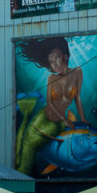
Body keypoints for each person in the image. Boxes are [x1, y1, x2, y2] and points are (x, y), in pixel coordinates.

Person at [15, 37, 87, 174]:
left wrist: (83, 120)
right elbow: (50, 104)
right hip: (42, 120)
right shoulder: (51, 78)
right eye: (51, 62)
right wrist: (64, 120)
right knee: (27, 151)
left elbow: (77, 98)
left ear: (66, 55)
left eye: (58, 57)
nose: (56, 65)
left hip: (60, 123)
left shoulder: (77, 72)